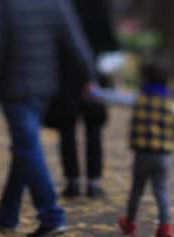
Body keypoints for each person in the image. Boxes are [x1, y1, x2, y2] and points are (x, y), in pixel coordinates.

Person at [0, 0, 96, 237]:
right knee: (25, 145)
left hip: (13, 86)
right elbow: (75, 39)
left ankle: (51, 216)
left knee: (27, 146)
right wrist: (89, 75)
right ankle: (7, 216)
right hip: (45, 86)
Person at [90, 62, 174, 237]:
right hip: (163, 155)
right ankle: (165, 227)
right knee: (162, 191)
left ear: (145, 79)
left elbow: (116, 98)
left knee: (137, 190)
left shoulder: (138, 98)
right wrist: (171, 139)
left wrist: (94, 93)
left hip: (142, 154)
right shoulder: (173, 104)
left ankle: (130, 223)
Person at [47, 0, 120, 199]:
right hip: (94, 75)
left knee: (67, 128)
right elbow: (110, 42)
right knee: (93, 128)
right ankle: (93, 183)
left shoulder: (62, 5)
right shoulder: (99, 6)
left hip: (66, 74)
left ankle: (73, 182)